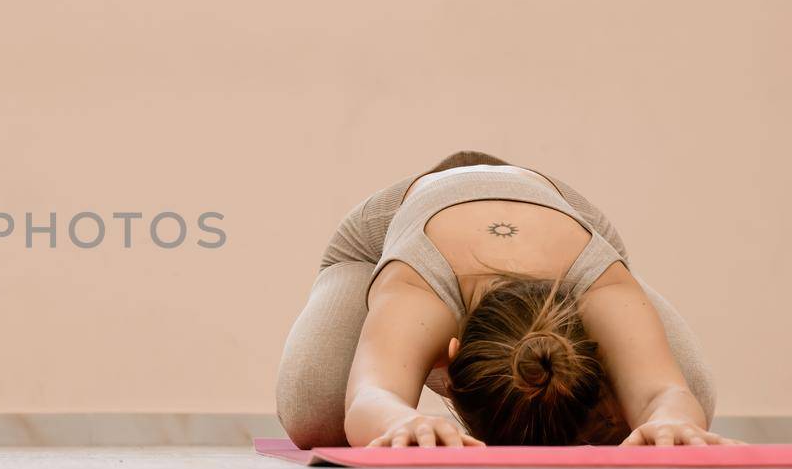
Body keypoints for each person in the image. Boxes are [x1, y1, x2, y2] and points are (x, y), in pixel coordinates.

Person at [276, 151, 736, 449]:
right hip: (387, 232)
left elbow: (666, 395)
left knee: (678, 424)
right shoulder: (418, 290)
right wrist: (398, 421)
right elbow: (371, 395)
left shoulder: (600, 285)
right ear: (446, 356)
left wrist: (669, 419)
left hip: (563, 226)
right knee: (319, 413)